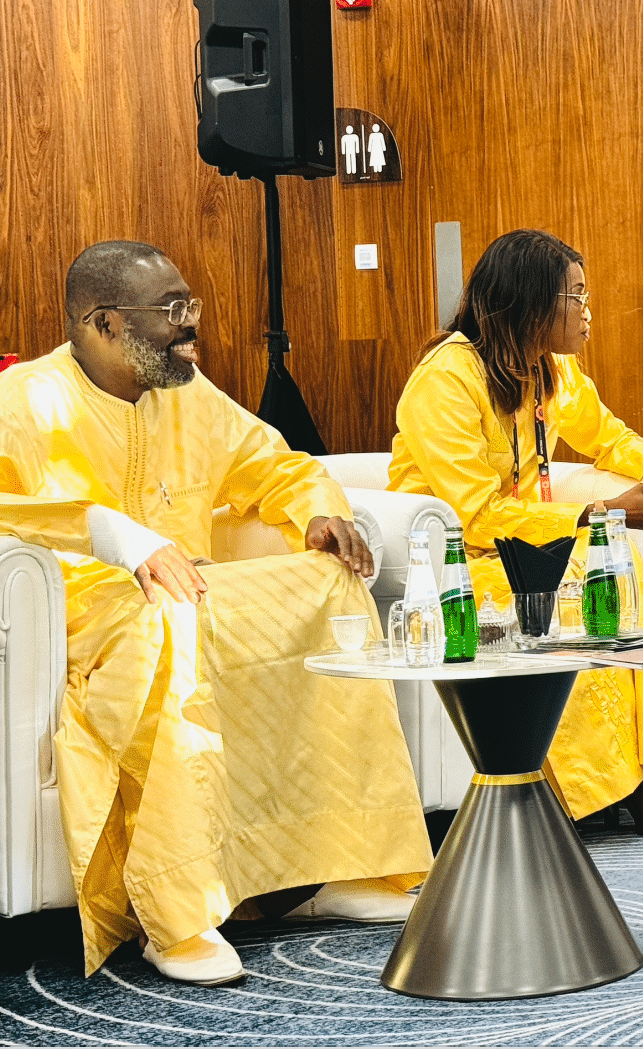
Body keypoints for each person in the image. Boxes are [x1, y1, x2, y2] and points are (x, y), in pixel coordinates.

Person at [0, 242, 432, 986]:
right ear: (104, 323)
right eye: (171, 312)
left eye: (190, 306)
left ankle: (343, 866)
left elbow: (277, 463)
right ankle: (179, 914)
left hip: (191, 593)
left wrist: (318, 514)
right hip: (87, 616)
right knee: (167, 620)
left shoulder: (187, 392)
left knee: (329, 587)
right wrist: (114, 534)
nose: (191, 328)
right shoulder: (26, 402)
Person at [388, 228, 643, 835]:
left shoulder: (550, 370)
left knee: (612, 567)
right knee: (576, 581)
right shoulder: (445, 380)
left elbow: (609, 435)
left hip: (531, 544)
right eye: (576, 296)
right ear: (530, 303)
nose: (588, 312)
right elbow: (477, 514)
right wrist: (605, 511)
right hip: (455, 561)